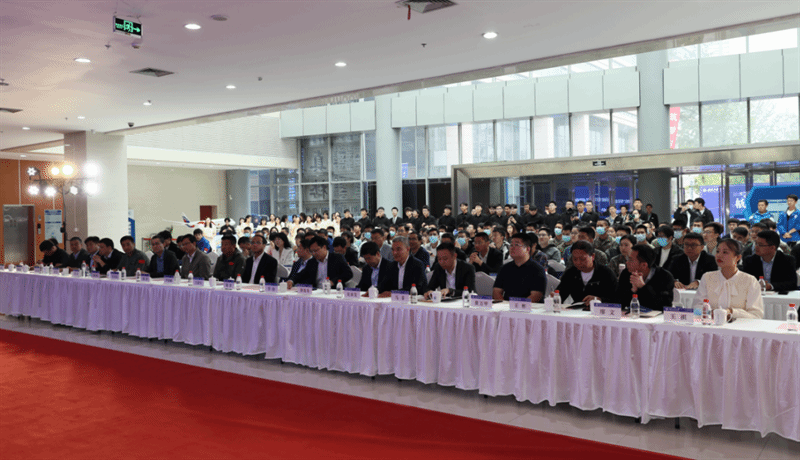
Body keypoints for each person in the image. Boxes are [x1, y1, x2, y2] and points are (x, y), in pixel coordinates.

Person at [693, 239, 764, 319]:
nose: (719, 255)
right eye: (717, 251)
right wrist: (709, 313)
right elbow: (696, 308)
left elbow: (756, 315)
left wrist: (731, 312)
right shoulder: (707, 277)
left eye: (725, 252)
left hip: (739, 326)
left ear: (738, 257)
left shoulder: (750, 280)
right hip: (711, 324)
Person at [555, 240, 618, 306]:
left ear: (592, 256)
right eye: (575, 259)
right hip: (577, 310)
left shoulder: (606, 273)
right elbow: (560, 294)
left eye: (582, 259)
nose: (578, 262)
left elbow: (616, 299)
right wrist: (554, 297)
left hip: (600, 309)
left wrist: (599, 299)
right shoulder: (571, 273)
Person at [615, 243, 675, 310]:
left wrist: (643, 287)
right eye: (627, 258)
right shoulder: (626, 273)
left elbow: (664, 306)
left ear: (644, 265)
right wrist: (633, 291)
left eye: (630, 260)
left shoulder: (665, 277)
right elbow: (618, 302)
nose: (627, 262)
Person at [492, 233, 546, 302]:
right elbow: (496, 292)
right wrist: (505, 305)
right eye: (511, 245)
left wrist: (517, 306)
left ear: (527, 249)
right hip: (506, 306)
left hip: (530, 307)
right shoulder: (504, 268)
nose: (512, 248)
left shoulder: (537, 270)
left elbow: (536, 296)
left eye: (517, 245)